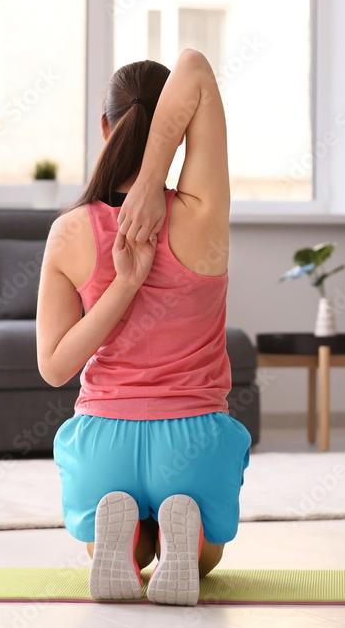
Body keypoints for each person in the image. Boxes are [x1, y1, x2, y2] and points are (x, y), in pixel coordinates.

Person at [35, 49, 251, 606]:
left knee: (107, 535)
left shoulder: (69, 232)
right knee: (208, 552)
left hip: (106, 439)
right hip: (195, 437)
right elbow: (198, 66)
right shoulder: (203, 214)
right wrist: (157, 181)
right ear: (176, 135)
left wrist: (124, 284)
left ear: (105, 127)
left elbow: (56, 367)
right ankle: (191, 535)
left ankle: (130, 541)